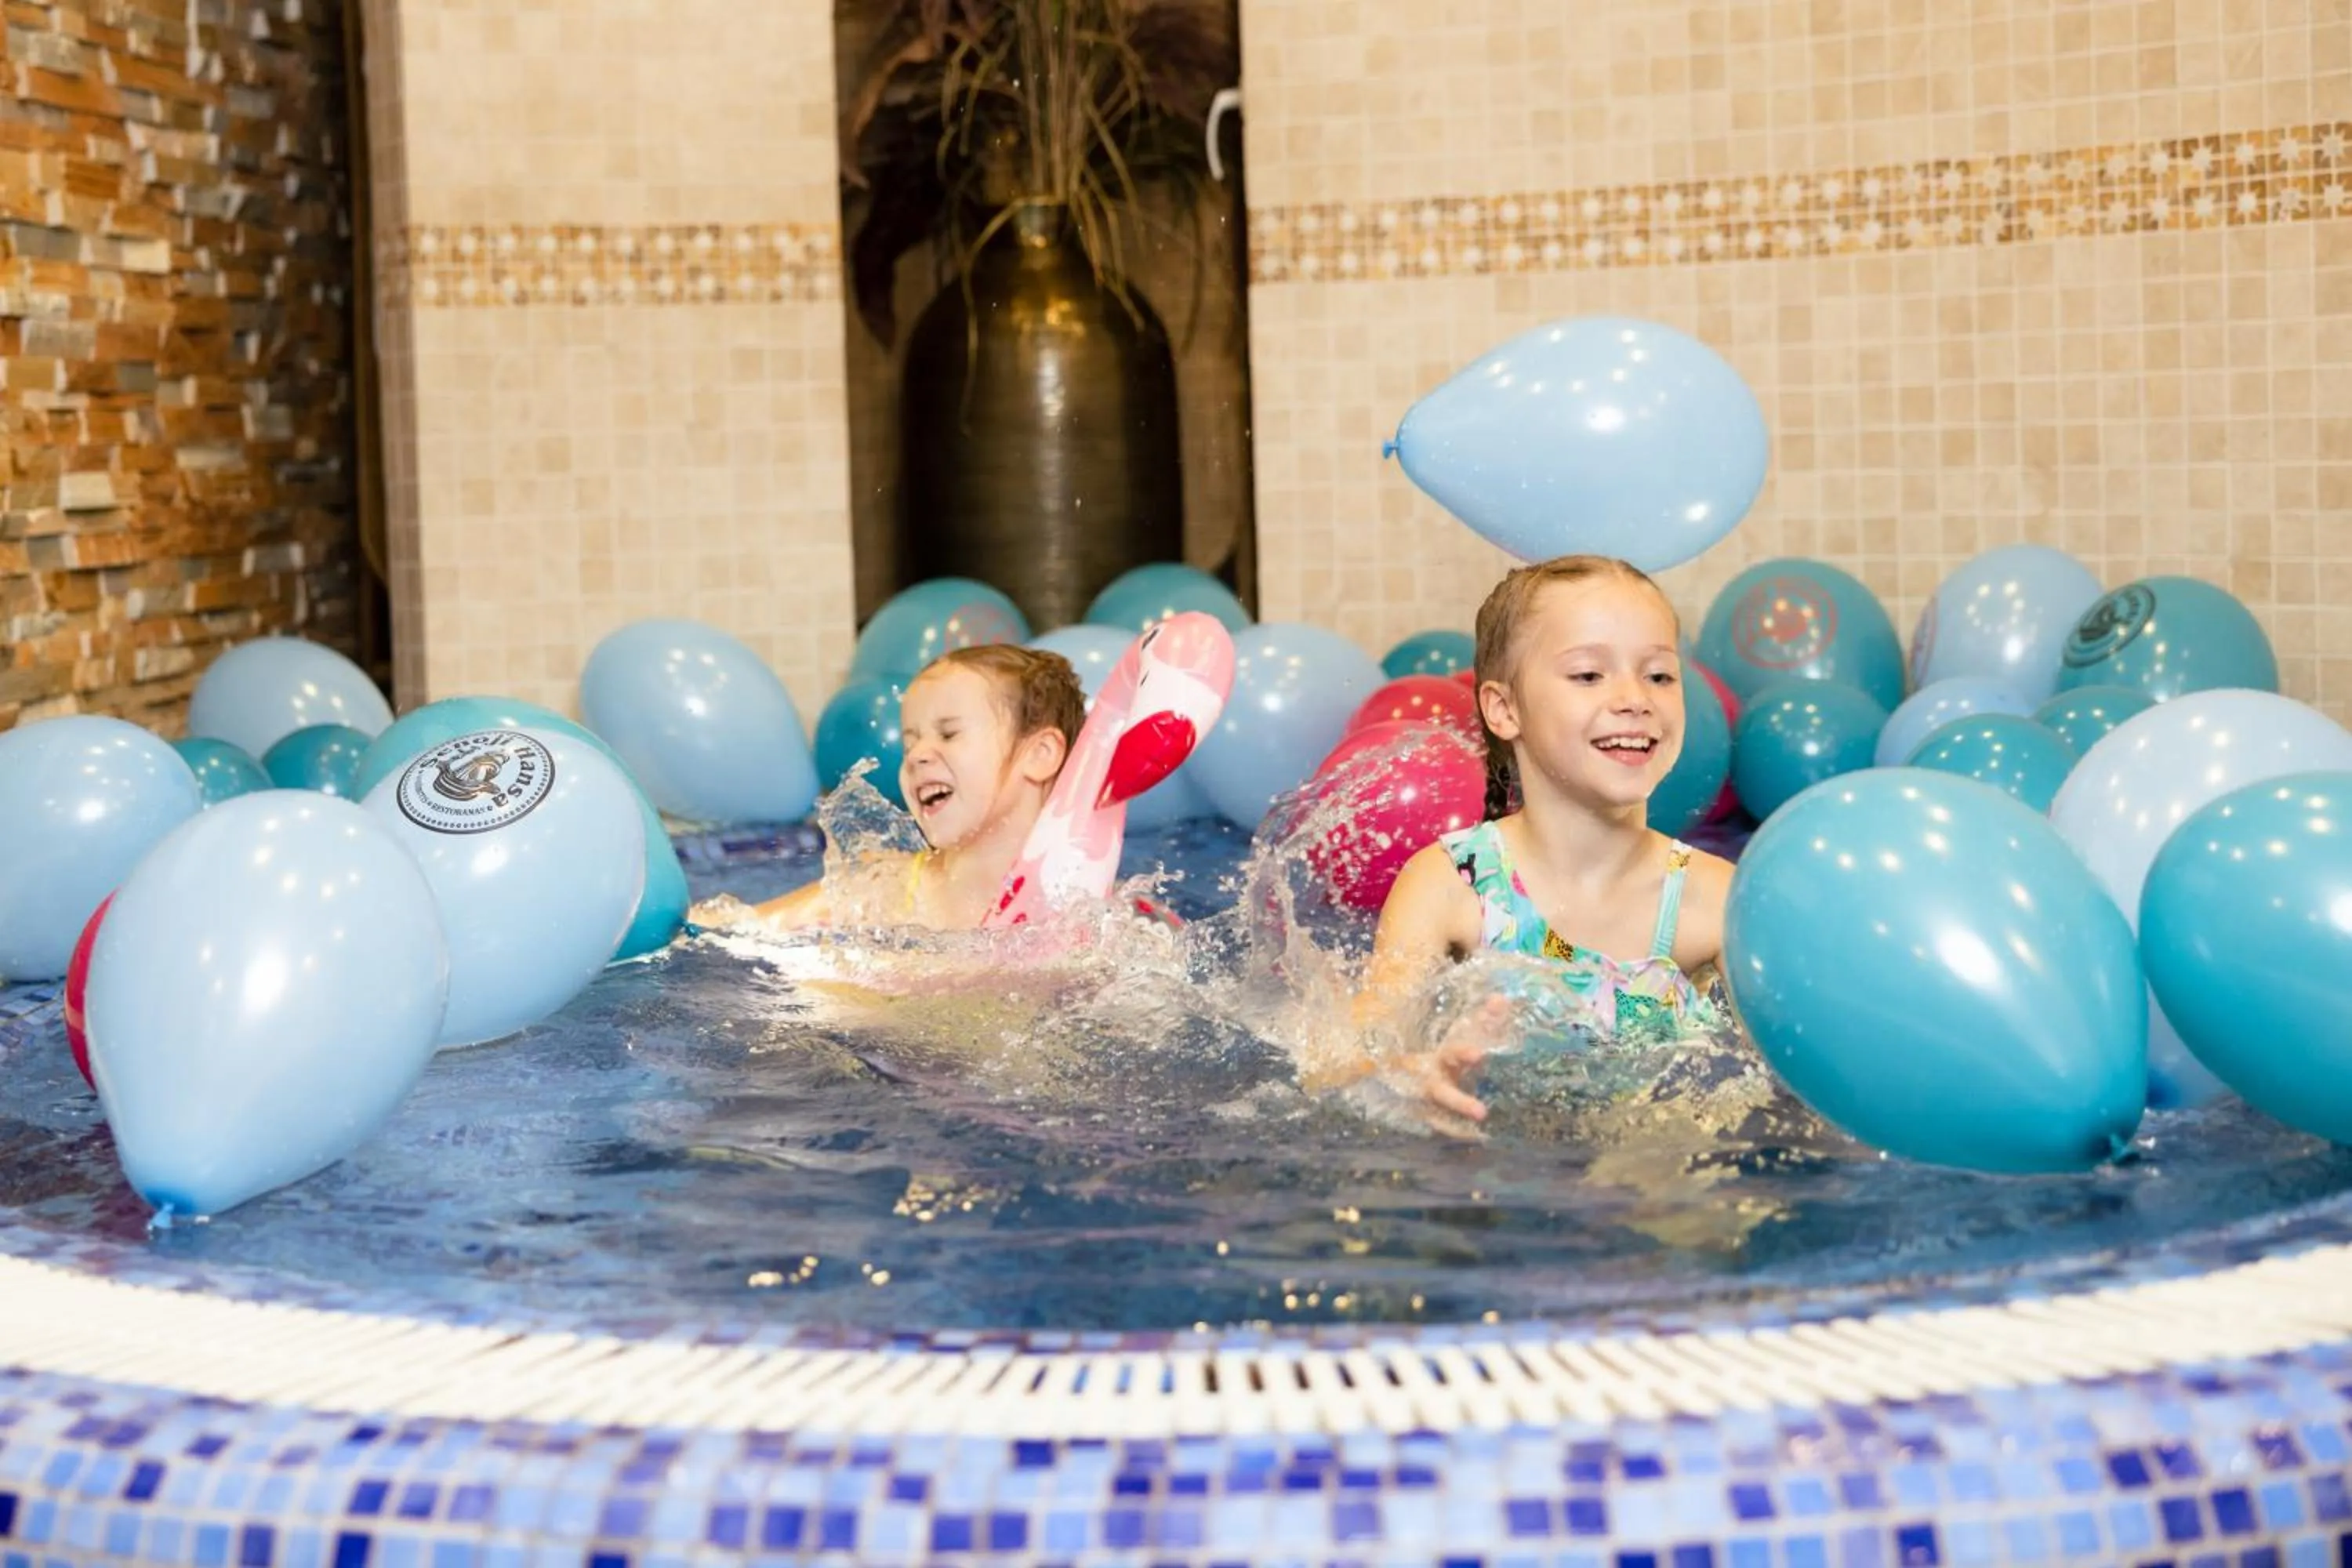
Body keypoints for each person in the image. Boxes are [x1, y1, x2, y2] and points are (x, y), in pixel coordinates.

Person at [1347, 554, 1736, 1123]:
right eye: (1588, 675)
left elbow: (1801, 1080)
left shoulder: (1718, 899)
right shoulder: (1453, 885)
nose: (1635, 698)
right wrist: (1409, 1079)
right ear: (1505, 710)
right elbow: (1352, 1059)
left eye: (1659, 675)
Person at [692, 644, 1087, 933]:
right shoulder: (887, 890)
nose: (917, 756)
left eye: (948, 734)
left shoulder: (1084, 909)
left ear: (1040, 754)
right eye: (911, 741)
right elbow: (738, 929)